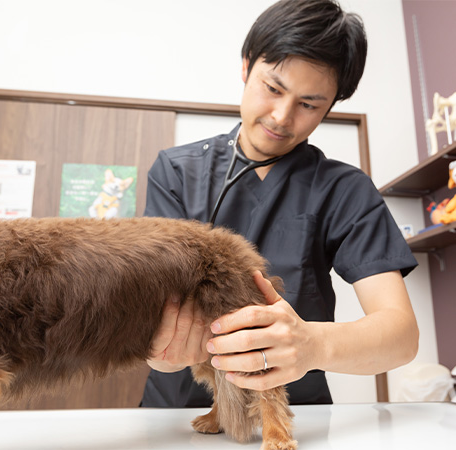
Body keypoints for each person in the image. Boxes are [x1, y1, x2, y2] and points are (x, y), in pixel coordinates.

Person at [140, 0, 419, 407]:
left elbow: (401, 337)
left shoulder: (344, 189)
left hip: (293, 417)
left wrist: (313, 344)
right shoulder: (177, 172)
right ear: (246, 65)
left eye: (309, 104)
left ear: (331, 105)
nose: (282, 117)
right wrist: (164, 354)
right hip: (179, 414)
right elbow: (154, 318)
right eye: (273, 88)